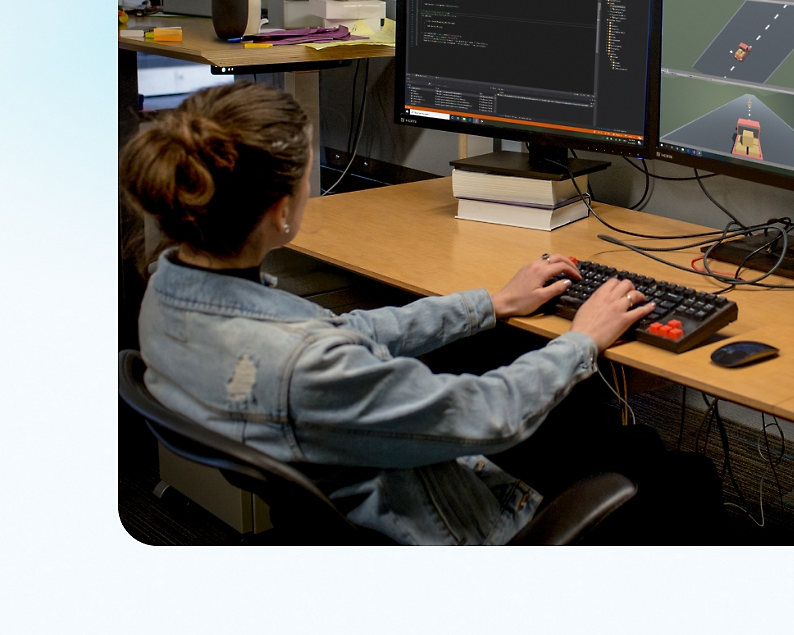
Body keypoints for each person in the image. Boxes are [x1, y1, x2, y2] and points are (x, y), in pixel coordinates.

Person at [121, 81, 721, 545]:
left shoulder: (169, 287)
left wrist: (492, 303)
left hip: (352, 493)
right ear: (281, 211)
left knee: (610, 429)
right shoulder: (304, 366)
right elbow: (489, 414)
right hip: (441, 529)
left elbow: (341, 332)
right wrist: (582, 340)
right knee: (682, 479)